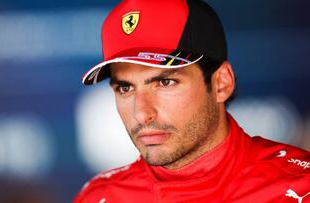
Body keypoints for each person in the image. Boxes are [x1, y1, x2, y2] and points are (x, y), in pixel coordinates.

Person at [74, 0, 310, 202]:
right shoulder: (100, 196)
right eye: (125, 87)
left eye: (165, 83)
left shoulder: (302, 188)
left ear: (221, 84)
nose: (142, 113)